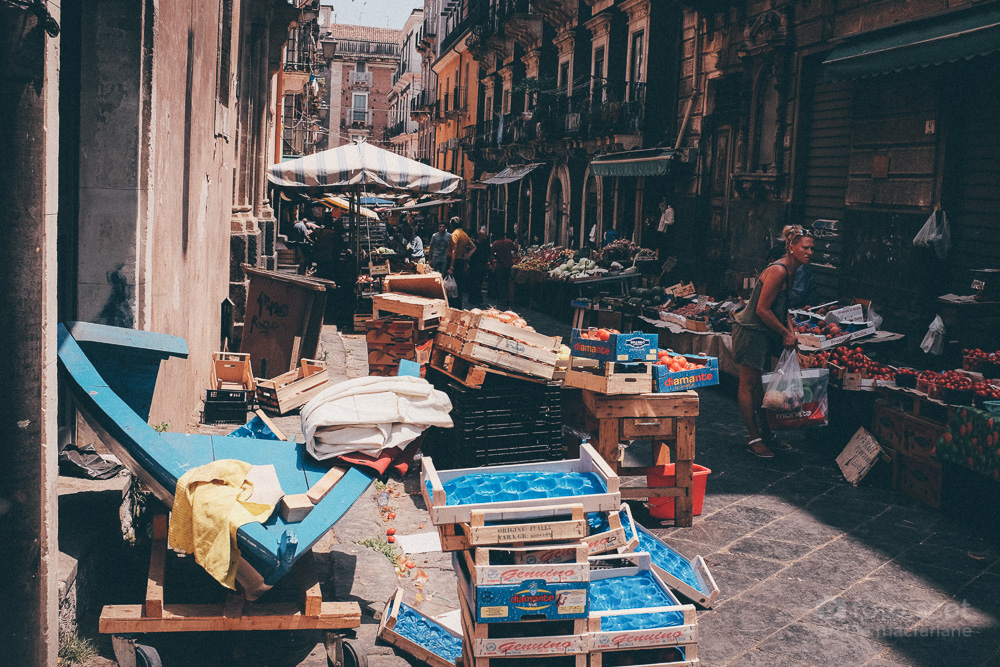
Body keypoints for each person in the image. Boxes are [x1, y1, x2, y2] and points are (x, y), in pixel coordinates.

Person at [732, 224, 815, 458]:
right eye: (805, 248)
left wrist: (790, 329)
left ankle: (766, 434)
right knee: (749, 384)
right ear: (791, 247)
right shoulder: (779, 271)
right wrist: (785, 334)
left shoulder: (793, 269)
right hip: (750, 332)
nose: (810, 252)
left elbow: (782, 307)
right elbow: (762, 310)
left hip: (764, 333)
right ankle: (754, 437)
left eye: (812, 249)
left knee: (761, 386)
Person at [447, 217, 476, 309]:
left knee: (451, 286)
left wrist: (451, 267)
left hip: (454, 262)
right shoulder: (464, 234)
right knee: (458, 286)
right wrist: (466, 256)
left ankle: (452, 306)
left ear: (452, 225)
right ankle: (458, 306)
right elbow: (473, 247)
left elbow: (454, 252)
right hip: (461, 262)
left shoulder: (454, 235)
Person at [491, 231, 519, 308]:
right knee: (507, 282)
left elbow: (492, 254)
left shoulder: (495, 243)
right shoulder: (509, 242)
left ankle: (502, 298)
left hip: (500, 265)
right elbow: (515, 250)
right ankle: (507, 298)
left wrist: (493, 263)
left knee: (501, 282)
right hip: (508, 265)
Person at [467, 228, 490, 306]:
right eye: (484, 236)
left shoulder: (486, 245)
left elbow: (488, 254)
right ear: (479, 236)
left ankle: (477, 298)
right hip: (474, 265)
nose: (485, 238)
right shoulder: (474, 244)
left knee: (479, 282)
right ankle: (473, 298)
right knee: (473, 282)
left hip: (482, 266)